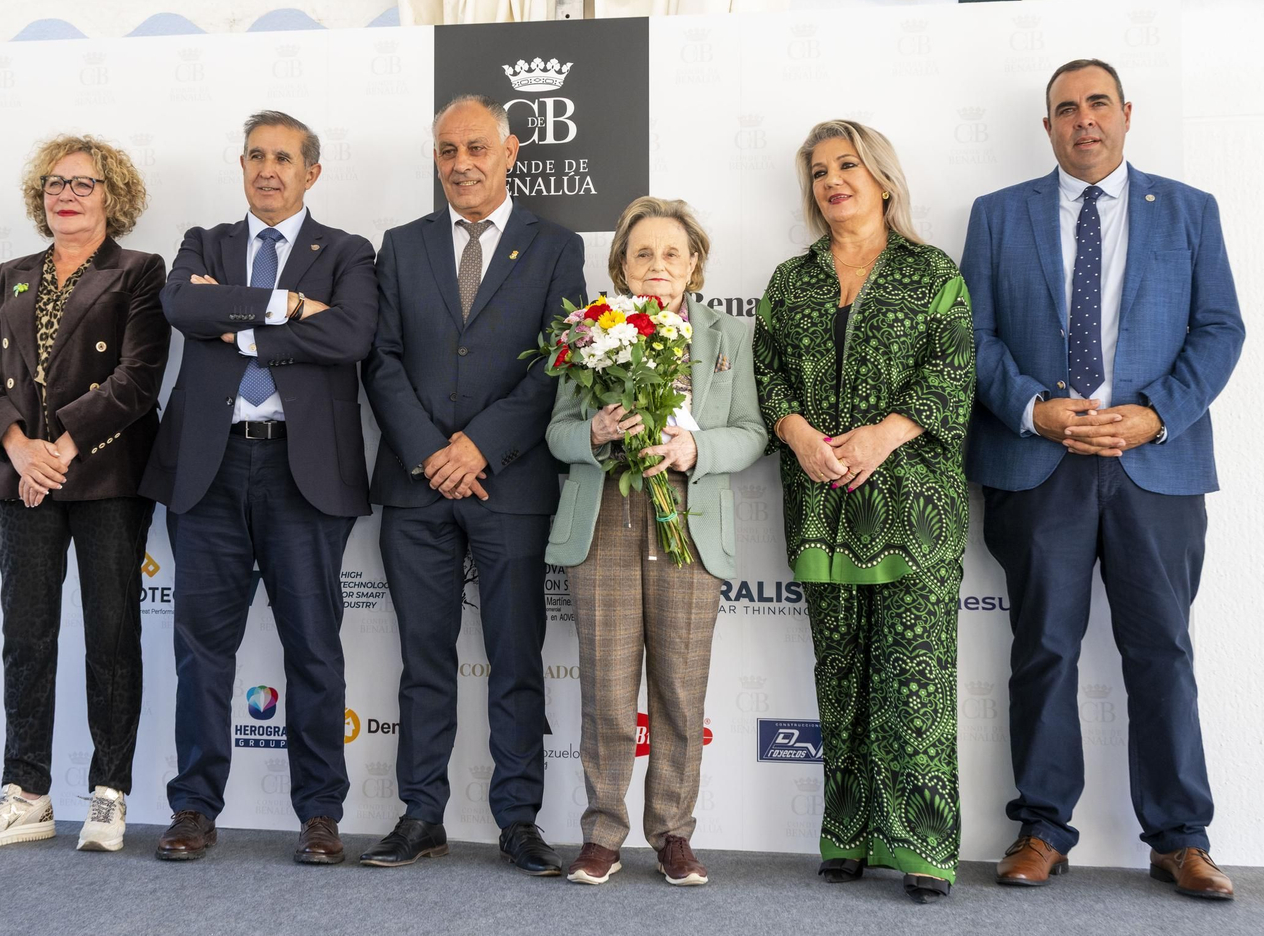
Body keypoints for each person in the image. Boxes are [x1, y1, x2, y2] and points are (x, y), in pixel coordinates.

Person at [960, 59, 1244, 901]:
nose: (1082, 120)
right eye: (1064, 109)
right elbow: (973, 334)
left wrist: (1157, 413)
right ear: (1047, 127)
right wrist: (1034, 408)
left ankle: (1179, 839)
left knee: (1162, 651)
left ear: (1125, 114)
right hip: (1039, 464)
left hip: (1156, 465)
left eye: (1096, 104)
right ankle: (1043, 828)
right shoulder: (997, 214)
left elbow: (1221, 328)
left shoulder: (1189, 210)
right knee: (1043, 650)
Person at [142, 110, 377, 866]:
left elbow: (349, 337)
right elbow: (183, 306)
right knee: (202, 650)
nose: (266, 170)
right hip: (208, 469)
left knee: (313, 649)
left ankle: (319, 814)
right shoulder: (202, 244)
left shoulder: (346, 251)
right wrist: (284, 307)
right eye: (254, 156)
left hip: (300, 472)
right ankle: (193, 808)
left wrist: (236, 321)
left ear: (312, 171)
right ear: (240, 166)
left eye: (283, 158)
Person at [359, 94, 585, 875]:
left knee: (517, 658)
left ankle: (519, 820)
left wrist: (480, 446)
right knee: (423, 660)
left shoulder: (555, 247)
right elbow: (380, 361)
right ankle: (421, 814)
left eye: (477, 148)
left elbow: (560, 361)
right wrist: (432, 453)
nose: (462, 163)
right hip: (418, 486)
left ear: (511, 151)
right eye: (448, 150)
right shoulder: (400, 245)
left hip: (511, 485)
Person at [754, 120, 974, 903]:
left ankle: (923, 849)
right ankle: (847, 834)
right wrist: (798, 433)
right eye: (819, 171)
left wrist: (884, 435)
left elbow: (953, 373)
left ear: (882, 178)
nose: (832, 180)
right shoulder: (791, 280)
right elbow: (769, 374)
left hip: (913, 509)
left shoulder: (932, 273)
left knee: (914, 680)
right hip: (820, 503)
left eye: (847, 165)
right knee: (840, 675)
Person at [0, 135, 169, 852]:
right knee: (27, 635)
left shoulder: (140, 272)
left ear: (114, 195)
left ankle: (109, 796)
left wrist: (61, 450)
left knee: (111, 636)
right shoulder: (12, 273)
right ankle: (28, 796)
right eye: (54, 183)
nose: (66, 194)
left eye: (83, 183)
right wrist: (19, 449)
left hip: (107, 474)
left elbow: (137, 380)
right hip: (23, 478)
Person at [546, 198, 765, 887]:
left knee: (679, 689)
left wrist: (694, 448)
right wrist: (596, 434)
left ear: (695, 265)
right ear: (621, 264)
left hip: (689, 530)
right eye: (643, 254)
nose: (658, 267)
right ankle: (603, 835)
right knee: (608, 692)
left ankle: (673, 834)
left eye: (673, 254)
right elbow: (556, 433)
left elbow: (754, 433)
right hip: (606, 522)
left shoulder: (730, 334)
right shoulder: (588, 332)